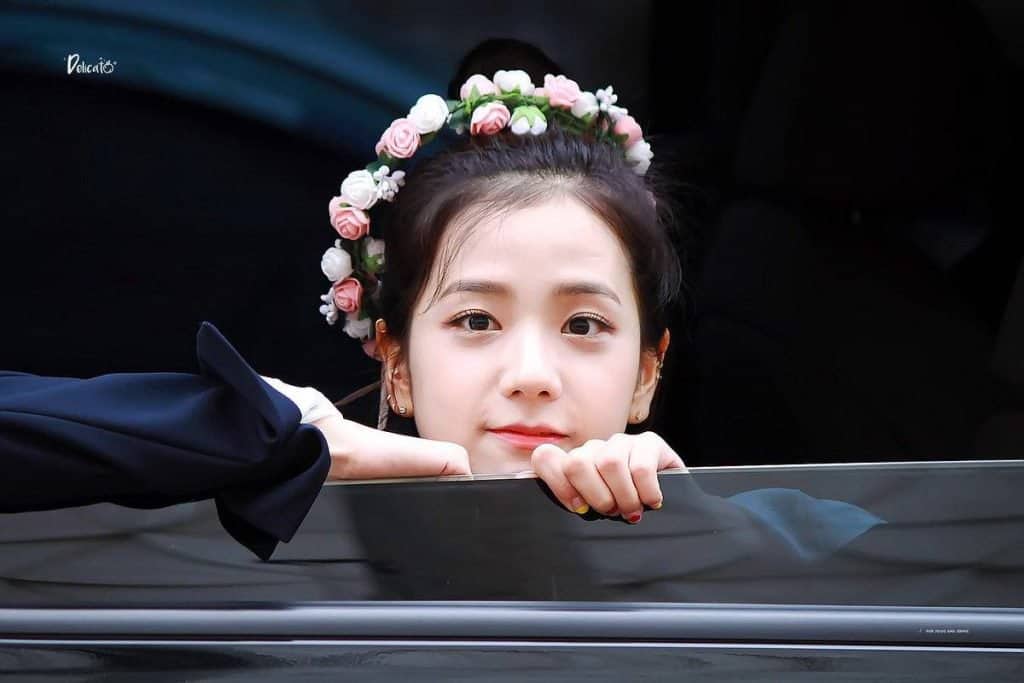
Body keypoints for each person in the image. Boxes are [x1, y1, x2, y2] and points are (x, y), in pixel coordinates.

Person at [1, 69, 879, 561]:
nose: (531, 375)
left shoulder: (784, 533)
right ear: (396, 364)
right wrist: (256, 435)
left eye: (583, 325)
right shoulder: (250, 536)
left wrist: (700, 527)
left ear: (649, 371)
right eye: (475, 321)